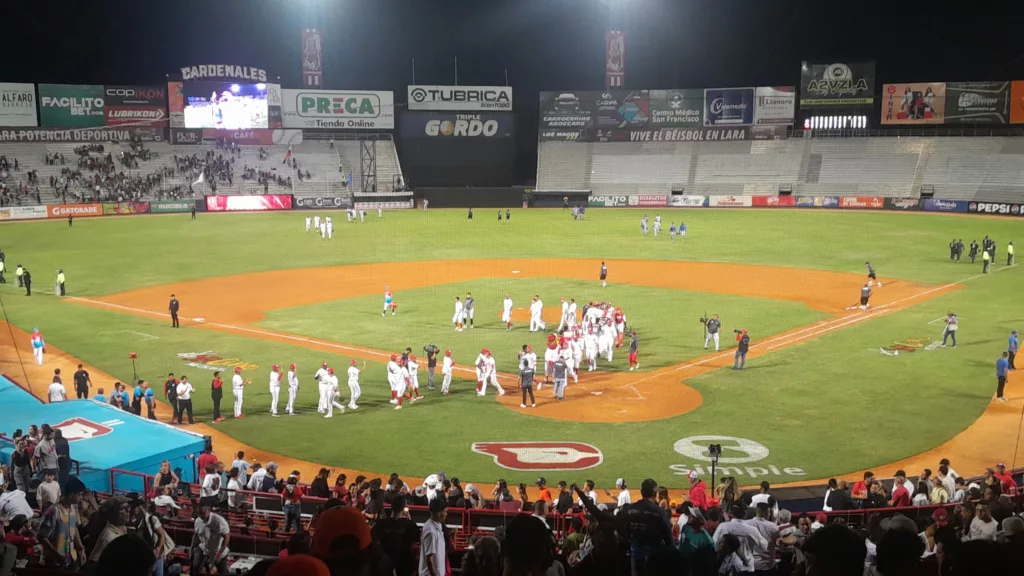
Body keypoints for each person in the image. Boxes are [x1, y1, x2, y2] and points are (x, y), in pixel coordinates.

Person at [38, 476, 88, 569]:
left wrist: (81, 549)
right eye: (79, 494)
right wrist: (56, 554)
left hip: (70, 559)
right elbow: (41, 537)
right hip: (53, 563)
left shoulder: (73, 508)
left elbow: (74, 528)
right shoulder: (53, 511)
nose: (81, 498)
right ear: (71, 494)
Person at [191, 501, 230, 574]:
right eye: (199, 514)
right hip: (204, 548)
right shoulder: (198, 521)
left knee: (223, 572)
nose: (201, 516)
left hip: (217, 550)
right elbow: (196, 535)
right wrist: (191, 548)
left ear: (209, 510)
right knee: (195, 567)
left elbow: (227, 537)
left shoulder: (219, 521)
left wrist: (219, 554)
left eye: (203, 513)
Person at [419, 498, 447, 576]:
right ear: (439, 513)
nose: (446, 514)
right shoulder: (430, 531)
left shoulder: (436, 525)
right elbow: (429, 558)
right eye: (445, 512)